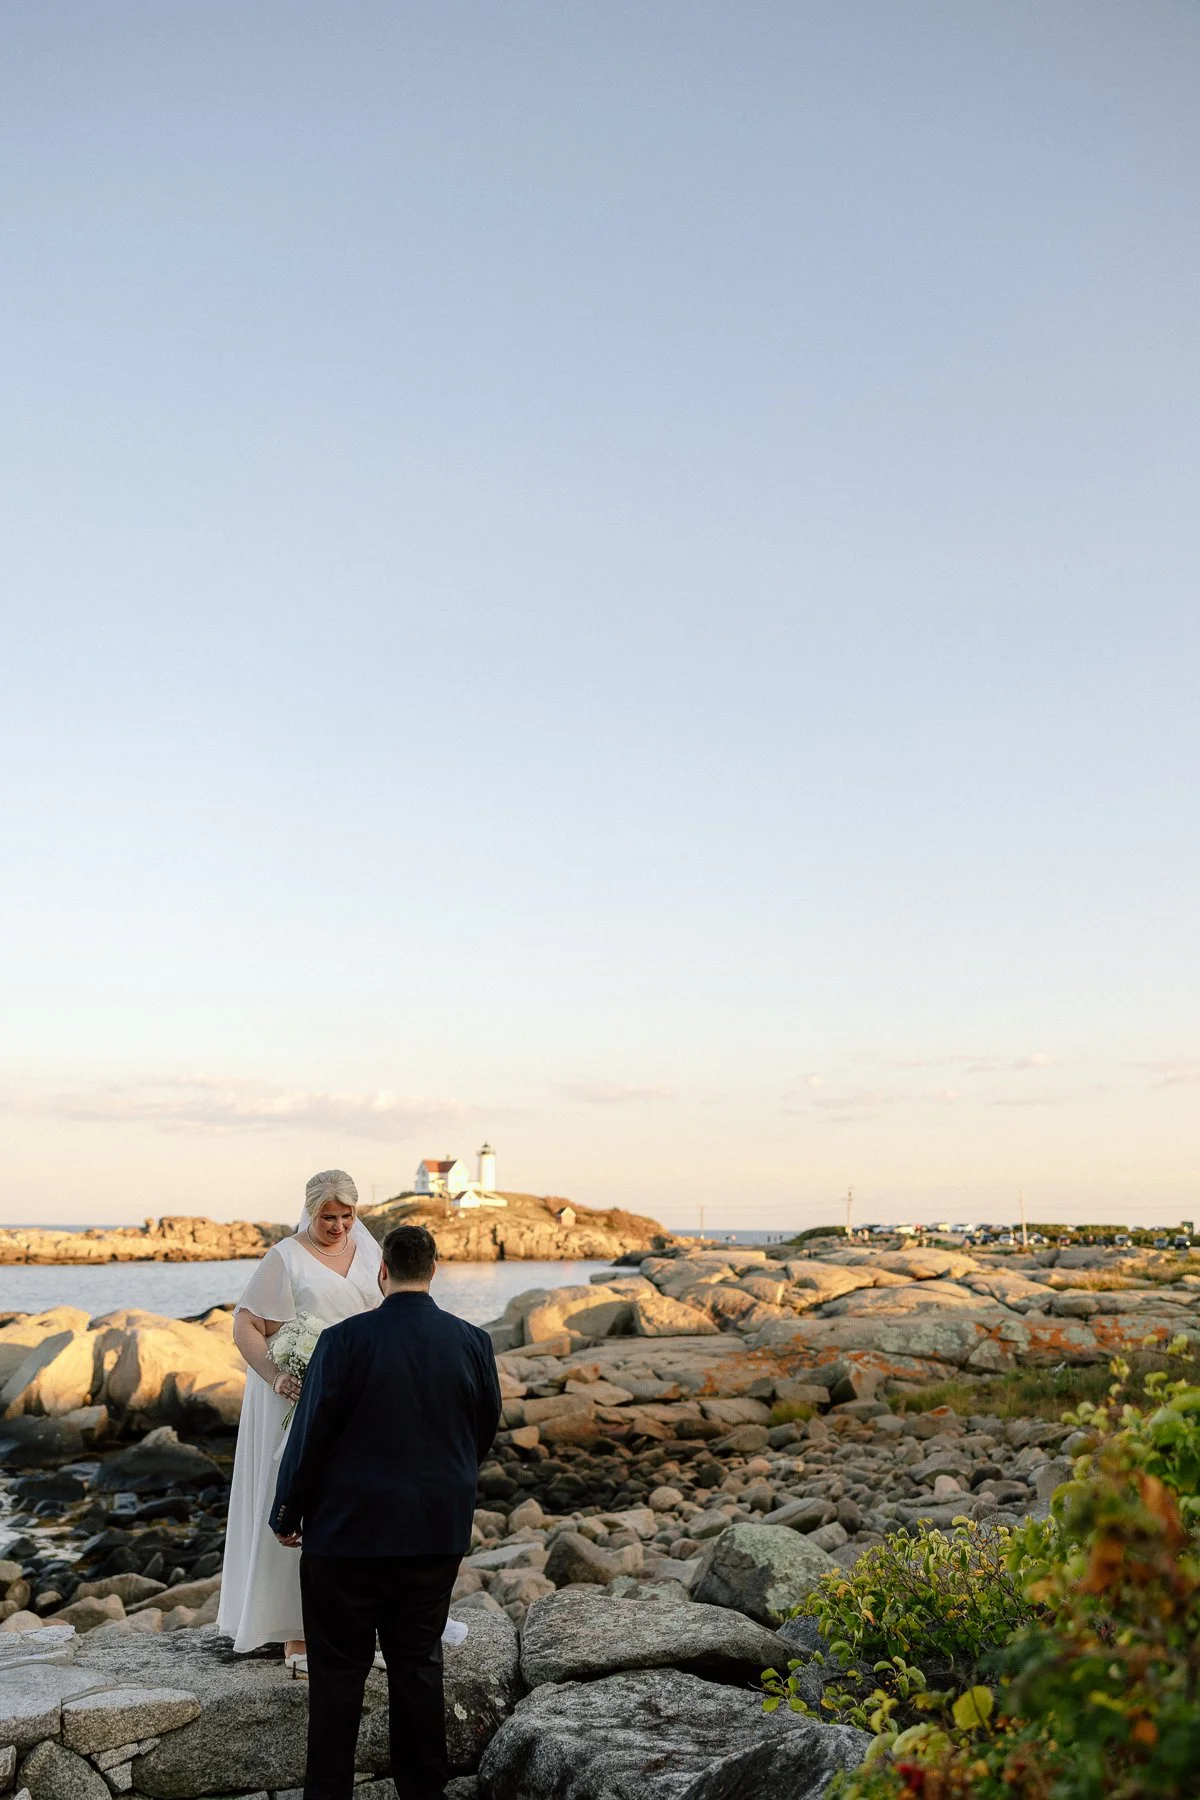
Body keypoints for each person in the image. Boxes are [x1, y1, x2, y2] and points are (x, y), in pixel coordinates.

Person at [270, 1224, 502, 1800]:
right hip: (433, 1534)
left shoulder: (342, 1341)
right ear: (434, 1270)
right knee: (418, 1667)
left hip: (346, 1537)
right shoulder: (474, 1342)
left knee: (337, 1679)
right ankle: (423, 1794)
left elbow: (310, 1435)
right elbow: (482, 1431)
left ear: (382, 1272)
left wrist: (287, 1512)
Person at [218, 1169, 384, 1662]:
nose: (339, 1226)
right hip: (296, 1393)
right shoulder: (285, 1257)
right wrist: (276, 1376)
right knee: (297, 1499)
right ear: (310, 1211)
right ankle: (294, 1627)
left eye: (347, 1216)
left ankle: (354, 1617)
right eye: (328, 1217)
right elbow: (247, 1324)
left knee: (352, 1503)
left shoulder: (368, 1250)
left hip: (356, 1396)